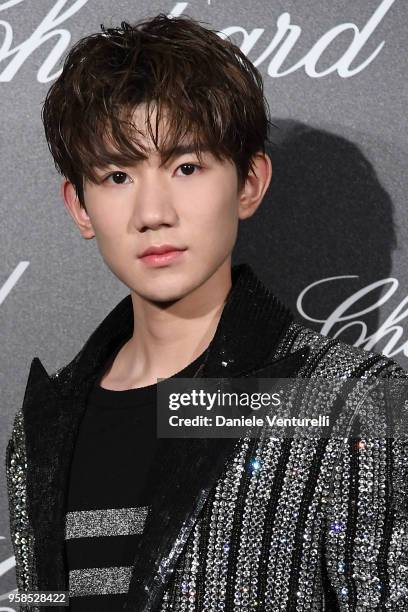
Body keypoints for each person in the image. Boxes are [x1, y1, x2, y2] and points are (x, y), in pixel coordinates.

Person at [5, 13, 408, 612]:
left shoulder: (352, 408)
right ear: (80, 206)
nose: (153, 211)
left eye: (186, 167)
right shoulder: (42, 426)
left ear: (248, 183)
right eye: (117, 175)